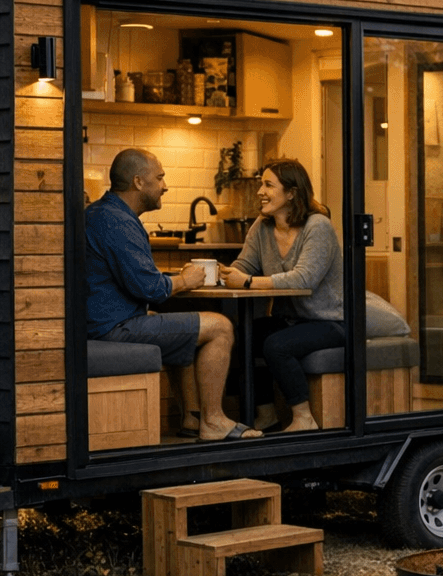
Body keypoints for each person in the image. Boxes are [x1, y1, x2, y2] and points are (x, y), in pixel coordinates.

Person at [86, 148, 260, 440]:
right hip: (112, 330)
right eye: (160, 177)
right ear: (139, 182)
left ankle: (192, 418)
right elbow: (150, 289)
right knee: (220, 327)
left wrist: (176, 280)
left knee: (185, 326)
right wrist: (183, 280)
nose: (165, 185)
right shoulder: (118, 222)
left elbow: (136, 280)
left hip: (102, 324)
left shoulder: (103, 213)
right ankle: (214, 421)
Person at [218, 159, 343, 433]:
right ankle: (266, 415)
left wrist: (248, 282)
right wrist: (224, 273)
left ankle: (303, 418)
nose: (260, 191)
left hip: (329, 322)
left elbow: (304, 279)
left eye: (268, 185)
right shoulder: (262, 227)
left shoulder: (317, 226)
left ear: (292, 193)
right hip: (290, 319)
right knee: (240, 337)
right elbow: (244, 265)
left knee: (276, 345)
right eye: (261, 184)